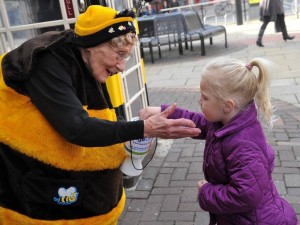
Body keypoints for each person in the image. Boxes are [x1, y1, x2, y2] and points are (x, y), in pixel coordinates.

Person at [0, 5, 201, 225]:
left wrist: (133, 127)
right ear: (93, 45)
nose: (123, 67)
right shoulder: (47, 61)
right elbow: (76, 128)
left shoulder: (87, 58)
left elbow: (104, 116)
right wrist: (143, 128)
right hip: (27, 183)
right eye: (120, 54)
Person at [139, 58, 299, 225]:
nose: (199, 100)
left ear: (228, 105)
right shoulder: (226, 122)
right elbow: (197, 121)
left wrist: (207, 193)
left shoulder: (243, 144)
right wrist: (164, 112)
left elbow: (246, 195)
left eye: (205, 97)